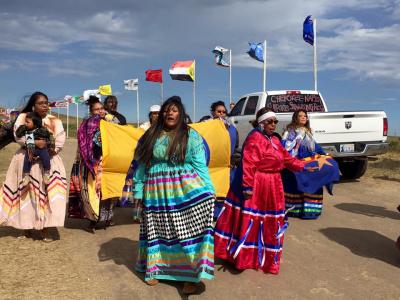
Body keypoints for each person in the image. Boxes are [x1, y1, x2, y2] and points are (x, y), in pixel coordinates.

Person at [214, 108, 316, 274]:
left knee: (270, 221)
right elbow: (248, 164)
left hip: (274, 185)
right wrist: (247, 187)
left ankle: (266, 257)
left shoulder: (274, 140)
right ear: (261, 123)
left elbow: (287, 158)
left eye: (275, 121)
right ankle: (245, 257)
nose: (273, 124)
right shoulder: (255, 139)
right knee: (254, 220)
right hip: (259, 183)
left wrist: (304, 165)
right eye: (269, 121)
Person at [131, 96, 215, 294]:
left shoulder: (190, 135)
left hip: (184, 189)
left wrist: (210, 190)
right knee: (157, 230)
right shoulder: (150, 134)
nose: (170, 113)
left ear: (181, 113)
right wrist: (138, 189)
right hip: (156, 191)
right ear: (162, 113)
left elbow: (199, 165)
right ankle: (155, 269)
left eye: (175, 110)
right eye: (167, 110)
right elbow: (141, 165)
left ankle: (190, 277)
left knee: (186, 232)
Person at [0, 91, 67, 242]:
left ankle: (45, 228)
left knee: (47, 193)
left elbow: (60, 139)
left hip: (48, 160)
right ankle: (26, 226)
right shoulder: (24, 118)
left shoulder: (55, 120)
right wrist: (35, 144)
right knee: (26, 192)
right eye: (41, 103)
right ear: (33, 105)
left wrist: (49, 149)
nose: (45, 105)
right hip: (26, 158)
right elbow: (19, 136)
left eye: (46, 103)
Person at [67, 96, 118, 232]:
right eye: (96, 109)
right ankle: (92, 219)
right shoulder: (85, 124)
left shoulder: (111, 122)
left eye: (101, 108)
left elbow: (117, 138)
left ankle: (106, 217)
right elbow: (82, 144)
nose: (100, 111)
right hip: (89, 162)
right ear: (91, 111)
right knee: (90, 191)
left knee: (106, 191)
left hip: (105, 161)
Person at [281, 109, 326, 219]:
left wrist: (324, 154)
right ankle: (294, 210)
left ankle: (309, 210)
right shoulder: (291, 132)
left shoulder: (308, 131)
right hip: (295, 162)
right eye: (300, 116)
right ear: (295, 118)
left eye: (305, 116)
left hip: (308, 161)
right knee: (295, 185)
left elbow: (314, 146)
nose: (303, 117)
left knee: (309, 185)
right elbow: (285, 147)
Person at [210, 101, 239, 220]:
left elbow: (236, 145)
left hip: (227, 166)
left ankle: (224, 215)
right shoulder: (207, 127)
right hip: (211, 167)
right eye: (218, 111)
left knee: (227, 190)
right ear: (213, 113)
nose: (221, 114)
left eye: (223, 112)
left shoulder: (232, 128)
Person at [15, 111, 51, 185]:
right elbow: (18, 134)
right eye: (25, 122)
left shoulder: (42, 130)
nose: (25, 123)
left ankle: (46, 173)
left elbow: (48, 138)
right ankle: (26, 175)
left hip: (41, 149)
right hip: (31, 148)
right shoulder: (26, 130)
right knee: (27, 160)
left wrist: (46, 144)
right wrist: (22, 127)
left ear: (35, 123)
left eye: (27, 122)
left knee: (46, 158)